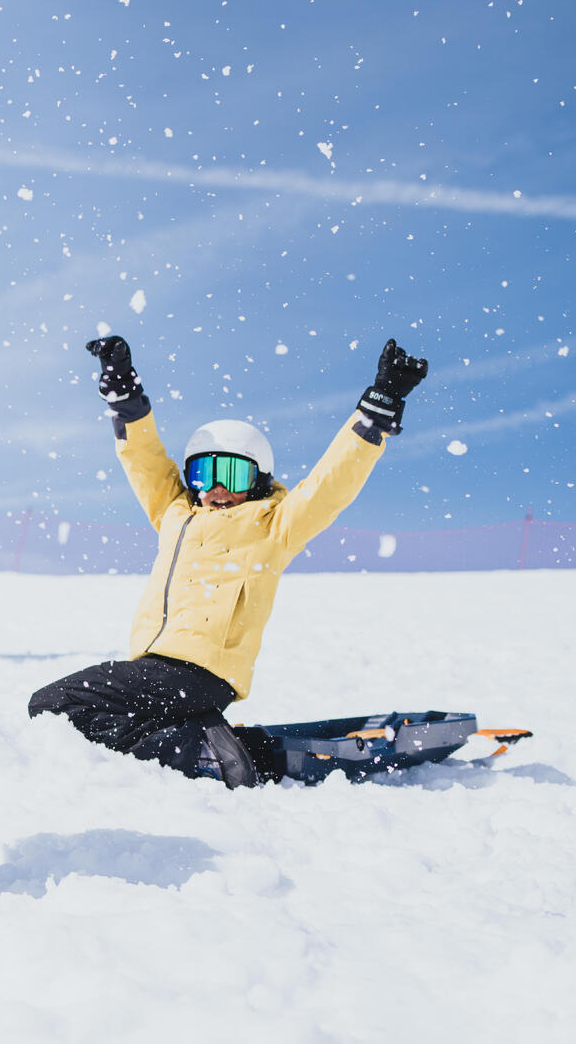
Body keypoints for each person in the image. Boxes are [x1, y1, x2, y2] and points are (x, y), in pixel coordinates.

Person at [27, 334, 430, 787]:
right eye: (203, 473)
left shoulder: (274, 525)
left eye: (232, 474)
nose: (216, 489)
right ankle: (205, 741)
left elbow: (331, 483)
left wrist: (376, 409)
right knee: (68, 711)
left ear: (257, 480)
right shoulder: (175, 513)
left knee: (53, 705)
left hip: (198, 671)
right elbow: (144, 460)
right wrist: (124, 398)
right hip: (158, 667)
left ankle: (195, 753)